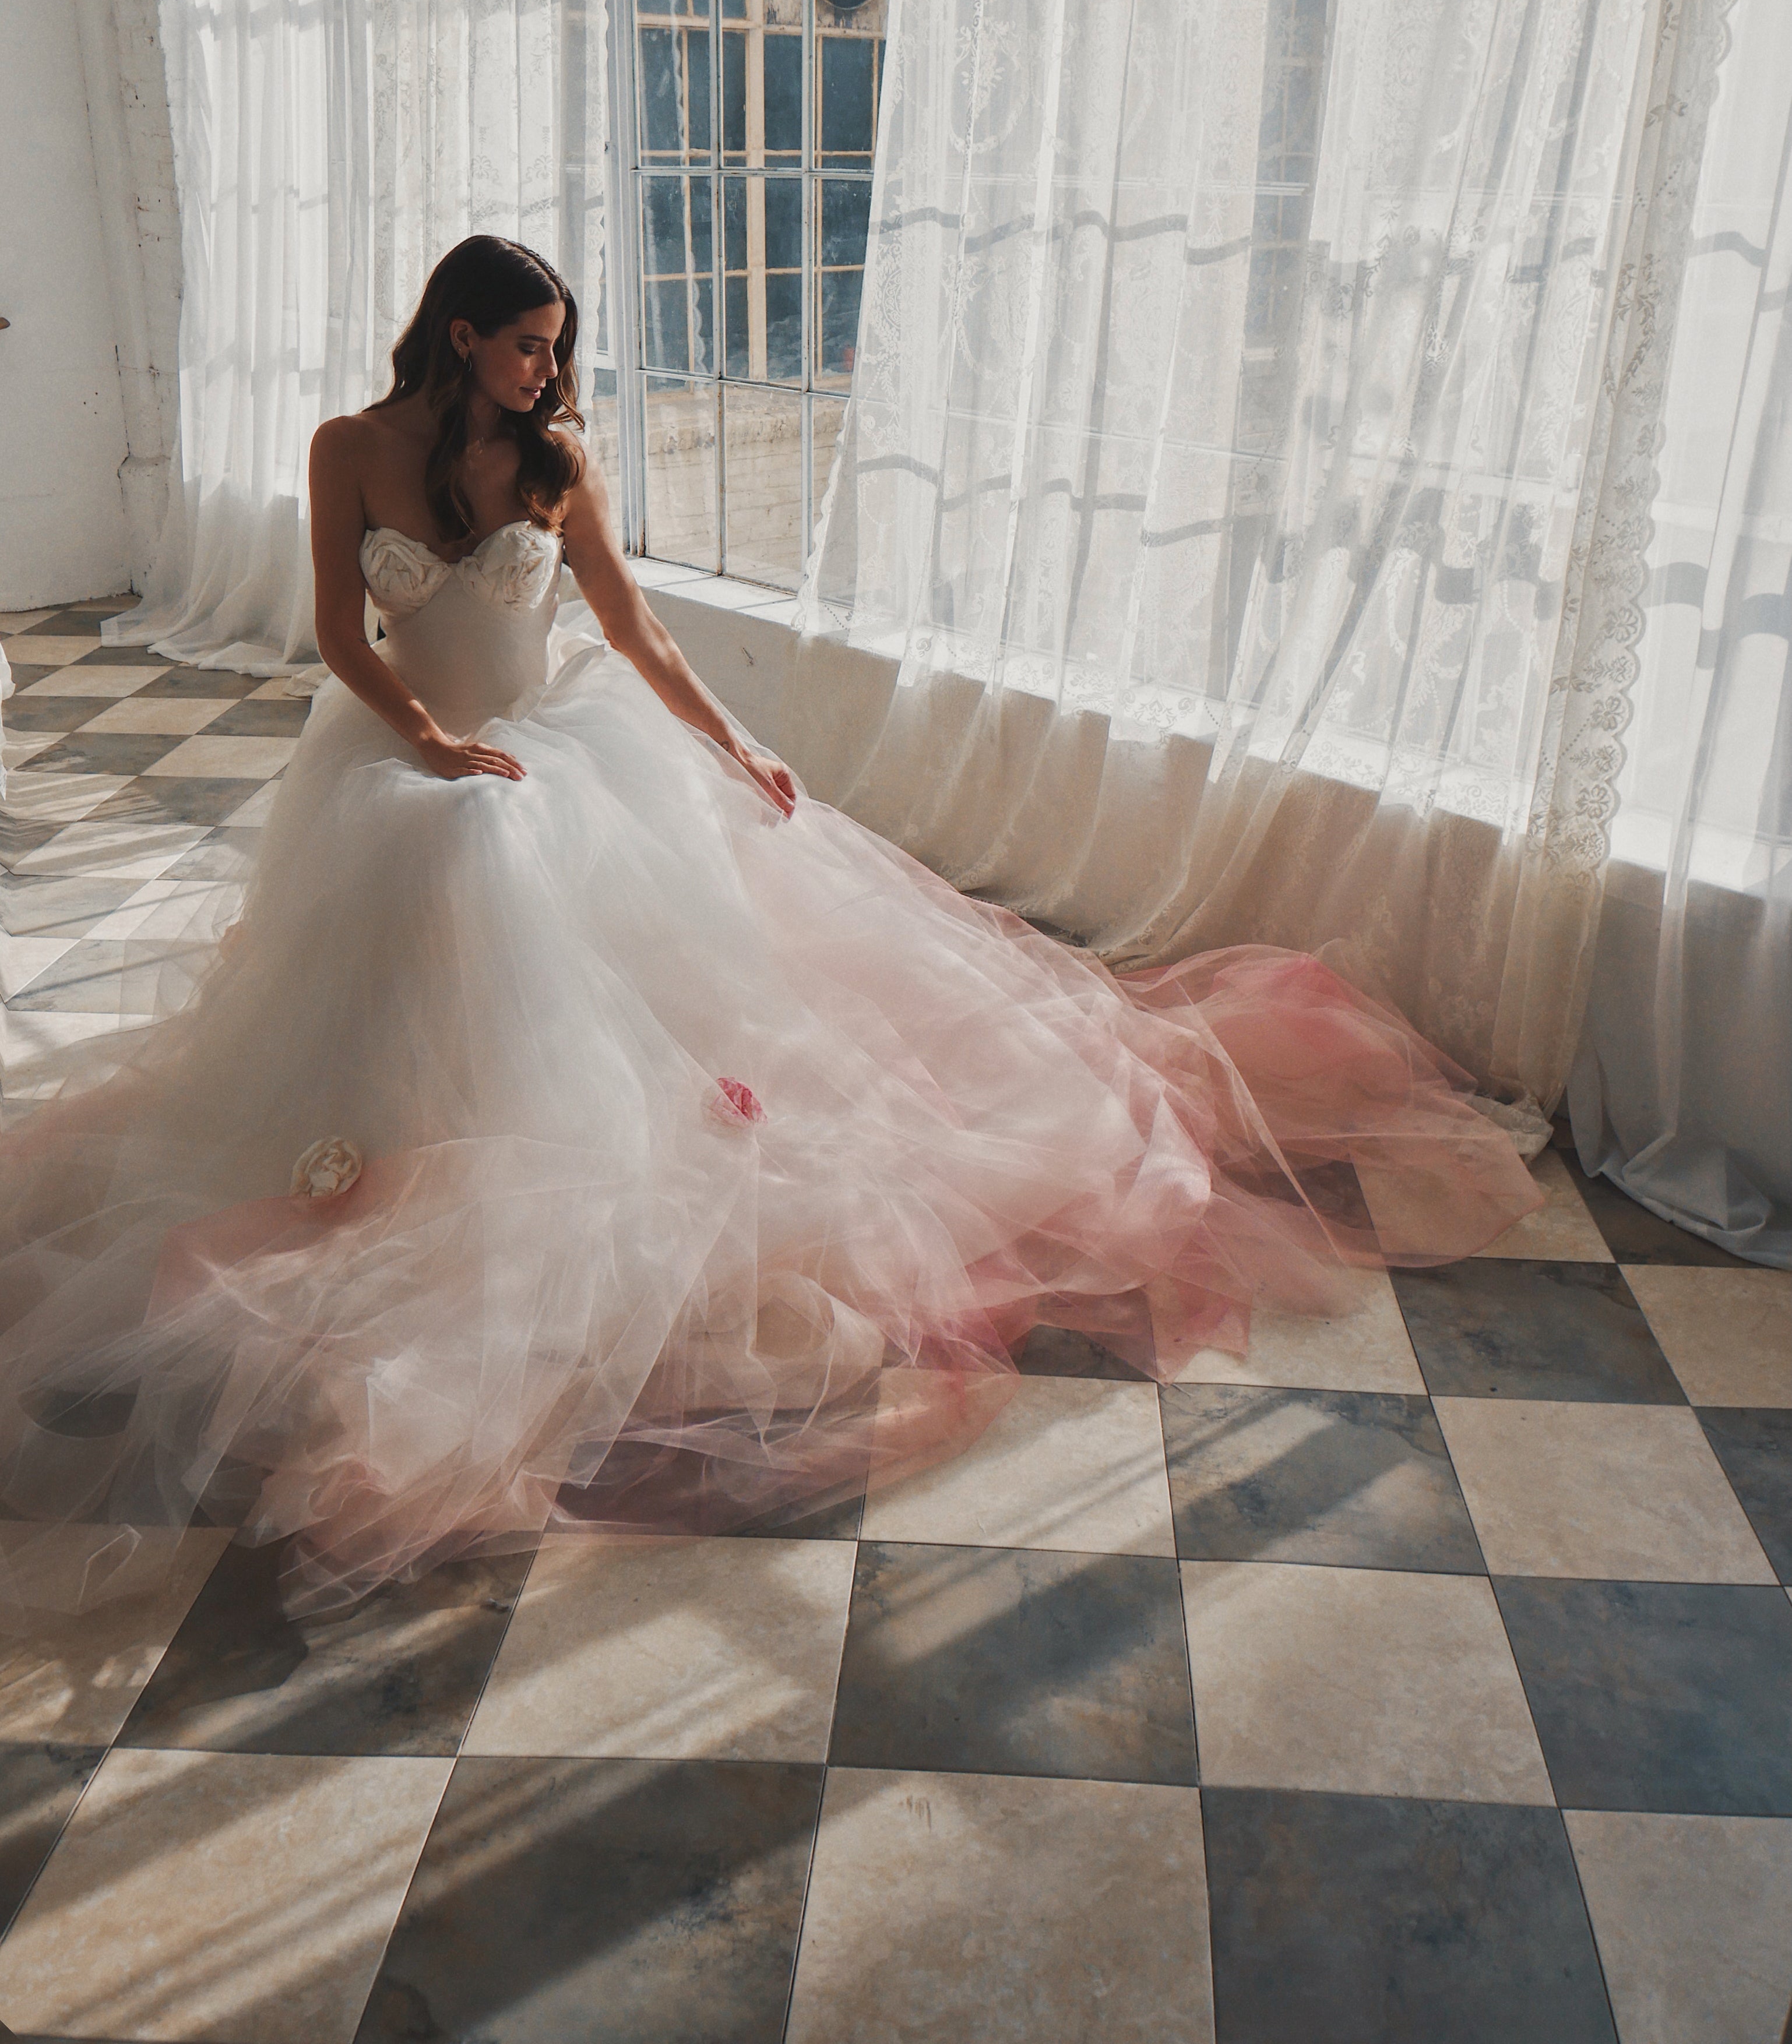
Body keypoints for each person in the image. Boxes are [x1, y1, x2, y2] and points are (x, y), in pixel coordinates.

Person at [0, 235, 1540, 1617]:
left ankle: (557, 1122)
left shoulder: (554, 463)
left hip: (559, 746)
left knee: (543, 892)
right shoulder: (350, 447)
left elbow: (634, 629)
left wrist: (731, 747)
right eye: (528, 342)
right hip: (410, 752)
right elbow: (342, 631)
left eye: (558, 346)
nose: (549, 369)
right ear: (458, 335)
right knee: (444, 863)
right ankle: (394, 1130)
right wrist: (429, 744)